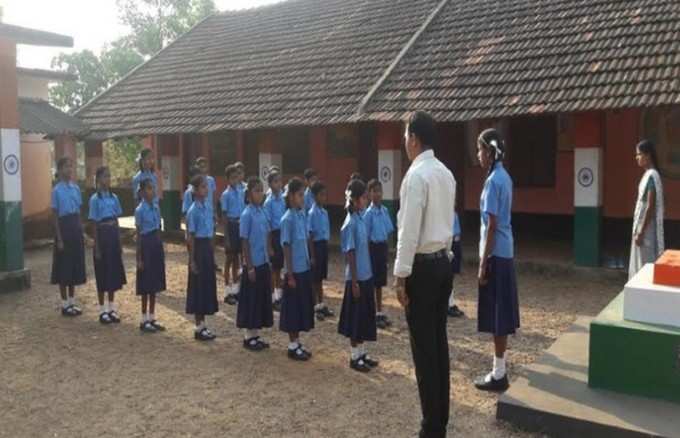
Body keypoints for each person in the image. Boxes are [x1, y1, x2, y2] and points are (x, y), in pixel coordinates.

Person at [394, 111, 455, 438]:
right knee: (439, 344)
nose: (404, 142)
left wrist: (400, 276)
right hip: (443, 262)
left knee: (424, 349)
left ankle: (430, 426)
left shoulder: (416, 176)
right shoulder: (445, 174)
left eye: (405, 136)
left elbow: (408, 232)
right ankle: (439, 419)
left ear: (414, 138)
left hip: (422, 268)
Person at [474, 128, 520, 392]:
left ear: (491, 152)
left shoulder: (493, 181)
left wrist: (482, 263)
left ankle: (499, 373)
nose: (478, 154)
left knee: (497, 314)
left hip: (495, 253)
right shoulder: (504, 176)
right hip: (505, 251)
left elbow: (491, 224)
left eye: (480, 149)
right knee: (500, 313)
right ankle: (499, 368)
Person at [339, 179, 379, 372]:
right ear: (354, 200)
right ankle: (355, 356)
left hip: (366, 275)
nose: (366, 199)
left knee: (364, 316)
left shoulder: (362, 218)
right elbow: (350, 253)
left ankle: (363, 352)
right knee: (356, 318)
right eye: (363, 197)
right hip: (356, 279)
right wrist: (354, 281)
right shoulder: (350, 223)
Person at [279, 177, 315, 361]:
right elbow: (286, 247)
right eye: (300, 195)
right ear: (292, 196)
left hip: (304, 269)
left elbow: (305, 240)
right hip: (294, 272)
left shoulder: (302, 215)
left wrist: (310, 259)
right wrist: (290, 274)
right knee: (293, 309)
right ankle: (292, 345)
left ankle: (298, 341)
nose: (303, 198)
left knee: (301, 306)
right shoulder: (287, 219)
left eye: (304, 195)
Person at [237, 177, 274, 351]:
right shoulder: (247, 214)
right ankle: (248, 336)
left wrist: (269, 252)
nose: (260, 194)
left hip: (263, 261)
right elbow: (244, 242)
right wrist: (249, 266)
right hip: (253, 263)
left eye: (261, 190)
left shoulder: (263, 212)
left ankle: (256, 334)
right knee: (251, 299)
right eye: (256, 190)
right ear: (249, 194)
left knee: (260, 298)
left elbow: (267, 233)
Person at [88, 166, 126, 324]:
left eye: (109, 176)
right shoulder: (95, 199)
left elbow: (117, 221)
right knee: (102, 273)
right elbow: (94, 224)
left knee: (113, 273)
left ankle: (111, 307)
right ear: (98, 180)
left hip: (112, 236)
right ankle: (102, 309)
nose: (107, 180)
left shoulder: (114, 198)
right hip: (102, 236)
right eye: (104, 177)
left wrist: (119, 241)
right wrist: (96, 246)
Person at [51, 157, 86, 317]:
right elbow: (55, 216)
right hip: (63, 229)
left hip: (75, 229)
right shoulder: (56, 190)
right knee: (63, 267)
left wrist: (82, 233)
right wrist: (59, 239)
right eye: (66, 167)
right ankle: (64, 305)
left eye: (71, 166)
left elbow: (78, 213)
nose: (69, 170)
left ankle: (72, 302)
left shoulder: (76, 189)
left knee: (74, 265)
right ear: (59, 170)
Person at [186, 175, 219, 341]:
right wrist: (191, 260)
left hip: (206, 248)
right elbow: (190, 237)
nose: (207, 189)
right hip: (198, 248)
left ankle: (203, 325)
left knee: (206, 285)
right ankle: (198, 327)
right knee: (198, 287)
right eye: (203, 187)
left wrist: (212, 254)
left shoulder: (207, 207)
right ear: (196, 190)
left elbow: (211, 232)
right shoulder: (193, 211)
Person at [629, 139, 665, 279]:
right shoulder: (648, 175)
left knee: (645, 266)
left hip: (646, 229)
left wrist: (641, 232)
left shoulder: (652, 176)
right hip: (642, 227)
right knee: (640, 264)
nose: (637, 157)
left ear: (648, 155)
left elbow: (650, 206)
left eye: (639, 154)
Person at [135, 179, 166, 333]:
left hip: (155, 246)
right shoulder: (140, 210)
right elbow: (139, 236)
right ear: (141, 192)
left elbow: (159, 229)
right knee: (146, 285)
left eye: (153, 188)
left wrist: (160, 248)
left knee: (154, 284)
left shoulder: (156, 207)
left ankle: (152, 317)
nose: (151, 191)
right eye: (148, 189)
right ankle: (143, 319)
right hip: (146, 246)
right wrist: (139, 258)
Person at [363, 179, 395, 329]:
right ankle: (370, 313)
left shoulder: (385, 211)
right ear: (369, 194)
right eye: (374, 191)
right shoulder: (368, 214)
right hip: (372, 249)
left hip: (382, 249)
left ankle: (379, 312)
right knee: (372, 283)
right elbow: (366, 238)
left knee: (380, 283)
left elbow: (388, 233)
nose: (378, 194)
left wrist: (387, 255)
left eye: (379, 191)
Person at [307, 181, 333, 321]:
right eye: (321, 195)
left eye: (325, 194)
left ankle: (321, 303)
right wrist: (312, 255)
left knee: (321, 278)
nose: (324, 197)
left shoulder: (324, 212)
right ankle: (314, 305)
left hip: (323, 246)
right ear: (314, 196)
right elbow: (310, 236)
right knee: (314, 278)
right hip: (315, 247)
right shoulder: (312, 213)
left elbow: (326, 232)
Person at [221, 164, 245, 305]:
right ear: (228, 179)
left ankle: (236, 290)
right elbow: (224, 217)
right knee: (229, 260)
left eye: (237, 177)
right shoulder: (226, 194)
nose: (235, 180)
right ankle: (227, 290)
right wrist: (227, 237)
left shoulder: (241, 191)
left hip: (239, 224)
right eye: (233, 177)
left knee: (237, 259)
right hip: (231, 225)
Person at [264, 170, 285, 311]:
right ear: (270, 184)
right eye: (276, 181)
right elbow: (268, 226)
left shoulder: (283, 199)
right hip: (274, 235)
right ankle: (272, 298)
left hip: (282, 234)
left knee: (279, 268)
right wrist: (269, 246)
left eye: (280, 181)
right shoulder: (268, 202)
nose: (279, 184)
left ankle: (279, 295)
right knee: (273, 270)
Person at [448, 212, 465, 318]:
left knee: (451, 276)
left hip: (455, 244)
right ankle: (448, 304)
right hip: (449, 243)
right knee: (448, 276)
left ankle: (450, 302)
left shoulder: (453, 213)